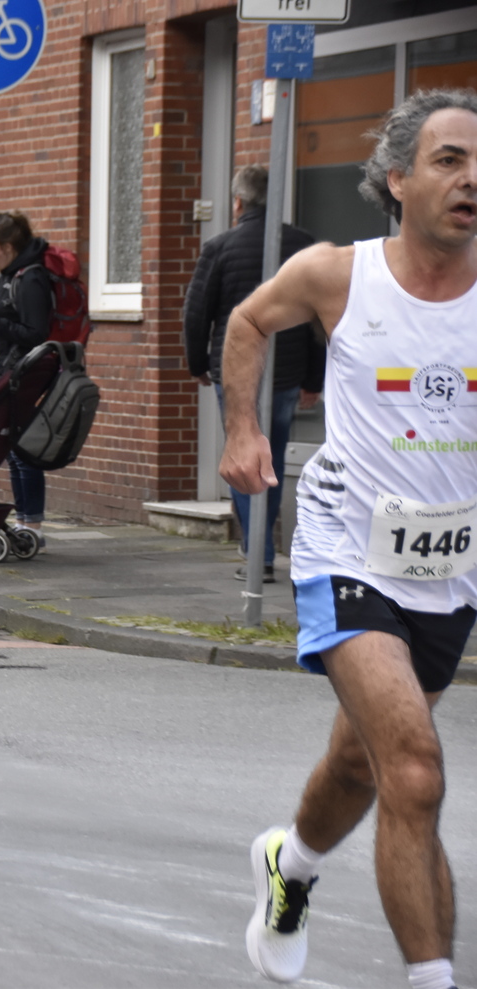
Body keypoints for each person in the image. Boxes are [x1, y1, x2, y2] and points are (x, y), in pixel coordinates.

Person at [221, 89, 477, 989]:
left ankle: (288, 865)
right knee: (414, 770)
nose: (471, 178)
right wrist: (244, 431)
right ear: (398, 178)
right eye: (450, 159)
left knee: (361, 760)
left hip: (449, 565)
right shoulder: (338, 273)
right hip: (345, 546)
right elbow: (247, 321)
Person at [184, 165, 325, 583]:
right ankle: (260, 550)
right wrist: (313, 379)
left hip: (236, 373)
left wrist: (199, 366)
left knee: (242, 454)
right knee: (272, 457)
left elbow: (196, 315)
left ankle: (258, 553)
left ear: (239, 203)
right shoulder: (303, 246)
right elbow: (320, 320)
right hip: (286, 374)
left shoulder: (220, 247)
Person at [0, 209, 54, 548]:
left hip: (20, 376)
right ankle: (24, 520)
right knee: (12, 450)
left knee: (22, 452)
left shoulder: (30, 278)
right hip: (4, 375)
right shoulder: (9, 276)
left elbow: (36, 333)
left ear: (8, 248)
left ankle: (33, 524)